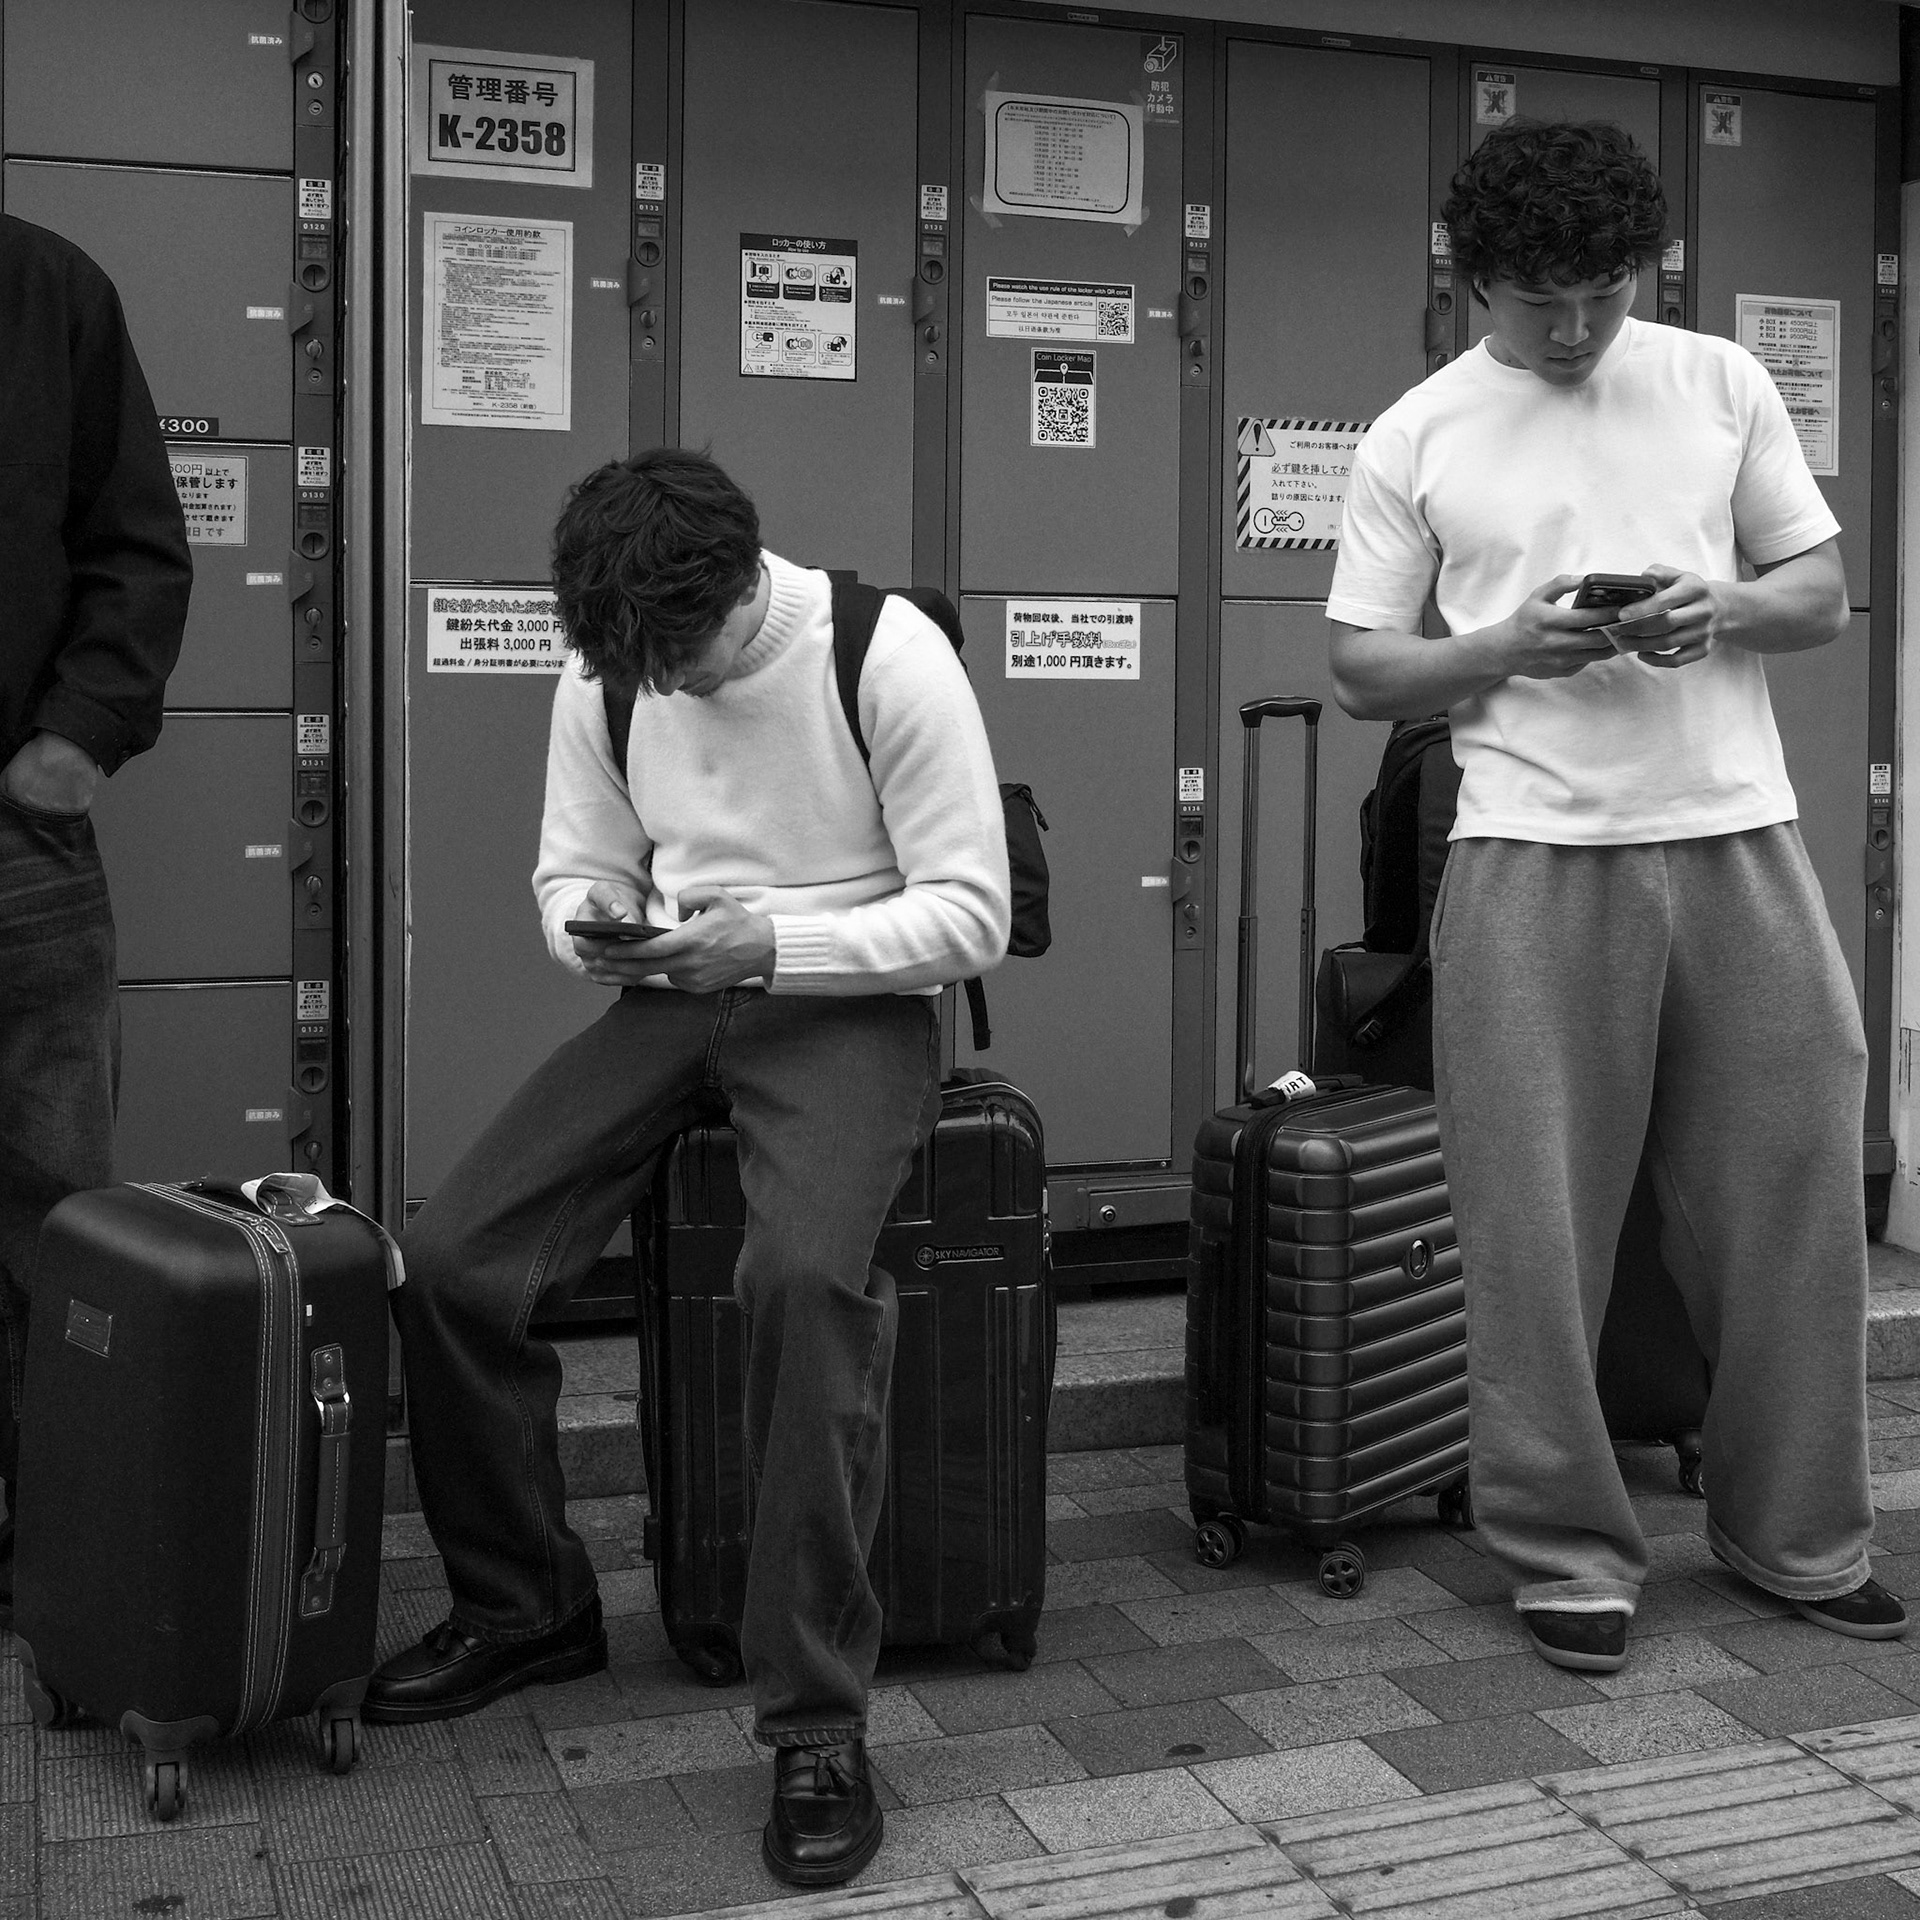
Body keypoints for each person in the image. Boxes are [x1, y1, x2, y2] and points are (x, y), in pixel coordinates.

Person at [367, 448, 1010, 1887]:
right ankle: (529, 1603)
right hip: (671, 995)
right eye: (638, 662)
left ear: (745, 578)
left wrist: (774, 943)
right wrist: (598, 919)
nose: (673, 682)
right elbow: (570, 865)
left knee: (800, 1281)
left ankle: (814, 1724)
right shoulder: (613, 667)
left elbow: (970, 914)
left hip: (851, 1003)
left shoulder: (880, 652)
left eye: (691, 649)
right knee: (455, 1257)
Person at [1326, 121, 1903, 1674]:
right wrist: (1500, 650)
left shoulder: (1719, 381)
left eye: (1600, 292)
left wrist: (1717, 611)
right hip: (1526, 854)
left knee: (1796, 1191)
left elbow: (1819, 596)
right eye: (1534, 299)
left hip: (1739, 839)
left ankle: (1799, 1536)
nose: (1572, 328)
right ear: (1468, 282)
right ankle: (1570, 1550)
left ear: (1642, 271)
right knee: (1535, 1227)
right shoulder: (1418, 432)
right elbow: (1364, 657)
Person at [0, 214, 192, 1629]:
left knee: (50, 1224)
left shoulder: (49, 287)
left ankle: (55, 1551)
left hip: (13, 846)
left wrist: (69, 747)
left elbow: (137, 546)